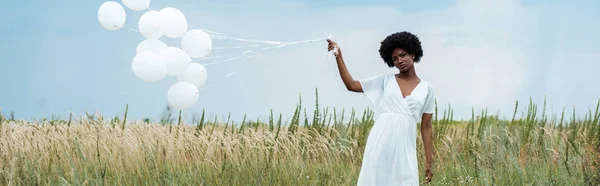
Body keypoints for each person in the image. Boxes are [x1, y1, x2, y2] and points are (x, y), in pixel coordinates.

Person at [327, 31, 435, 185]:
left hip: (405, 146)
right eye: (395, 58)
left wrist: (429, 162)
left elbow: (426, 126)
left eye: (403, 55)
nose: (399, 60)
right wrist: (338, 55)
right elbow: (351, 85)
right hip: (380, 141)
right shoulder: (385, 81)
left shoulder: (427, 89)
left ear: (413, 53)